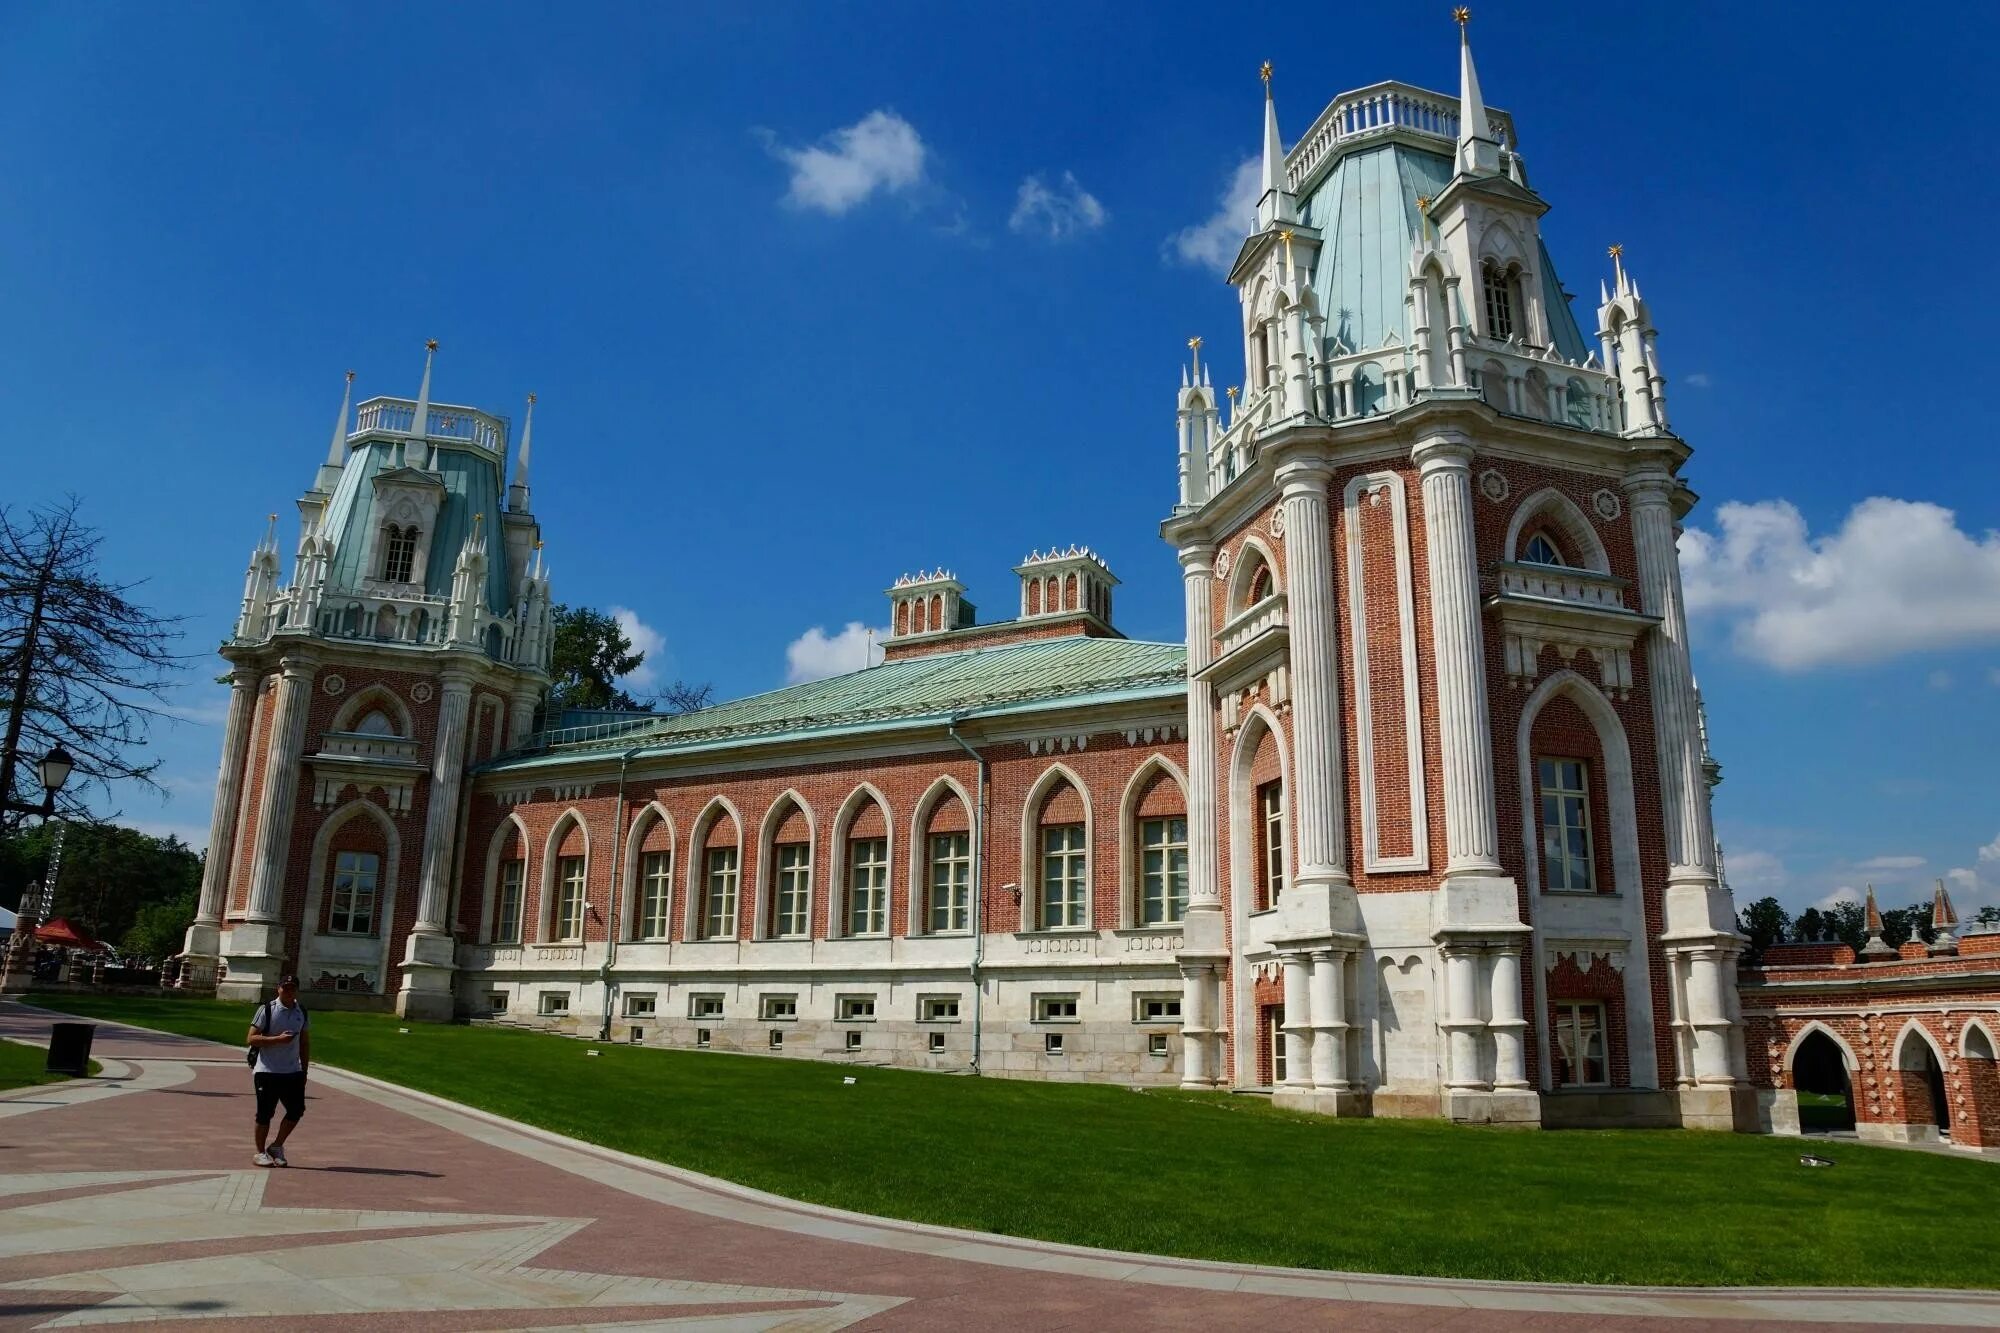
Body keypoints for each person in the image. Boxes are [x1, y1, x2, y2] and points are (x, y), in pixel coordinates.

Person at [247, 974, 310, 1167]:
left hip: (292, 1071)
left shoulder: (302, 1011)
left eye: (292, 987)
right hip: (267, 1070)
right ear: (279, 988)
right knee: (265, 1113)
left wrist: (304, 1071)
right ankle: (259, 1152)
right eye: (285, 987)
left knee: (296, 1111)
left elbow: (304, 1043)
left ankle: (277, 1145)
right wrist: (277, 1040)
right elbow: (251, 1038)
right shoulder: (267, 1009)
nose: (289, 991)